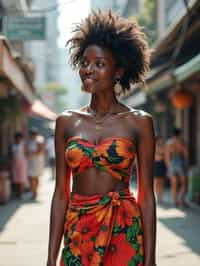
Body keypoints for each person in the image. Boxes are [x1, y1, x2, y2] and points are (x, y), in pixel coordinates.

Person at [47, 10, 156, 266]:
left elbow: (147, 195)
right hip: (78, 231)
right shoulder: (66, 122)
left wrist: (150, 259)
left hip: (124, 228)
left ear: (118, 71)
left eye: (100, 64)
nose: (88, 70)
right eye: (85, 62)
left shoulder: (139, 122)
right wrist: (51, 258)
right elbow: (60, 194)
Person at [165, 128, 189, 208]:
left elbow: (167, 156)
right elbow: (186, 154)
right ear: (179, 134)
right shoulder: (181, 142)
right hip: (180, 163)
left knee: (174, 184)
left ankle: (175, 201)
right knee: (184, 183)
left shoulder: (169, 143)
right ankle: (181, 199)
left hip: (172, 163)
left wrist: (168, 167)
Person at [27, 127, 43, 200]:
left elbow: (40, 151)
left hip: (37, 161)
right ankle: (34, 192)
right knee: (31, 177)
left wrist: (31, 153)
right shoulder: (29, 141)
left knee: (35, 177)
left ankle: (35, 192)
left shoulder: (39, 140)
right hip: (30, 161)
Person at [11, 132, 27, 199]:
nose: (18, 139)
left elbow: (26, 153)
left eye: (19, 137)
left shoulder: (23, 145)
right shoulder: (13, 145)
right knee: (16, 178)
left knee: (22, 178)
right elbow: (11, 154)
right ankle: (17, 193)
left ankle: (21, 193)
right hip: (14, 162)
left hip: (22, 162)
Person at [153, 135, 166, 203]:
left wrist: (159, 155)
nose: (161, 141)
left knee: (162, 181)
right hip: (156, 165)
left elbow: (164, 156)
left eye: (161, 140)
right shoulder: (153, 146)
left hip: (162, 164)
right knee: (156, 182)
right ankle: (157, 196)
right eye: (160, 140)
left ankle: (161, 196)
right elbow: (156, 157)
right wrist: (160, 155)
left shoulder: (163, 147)